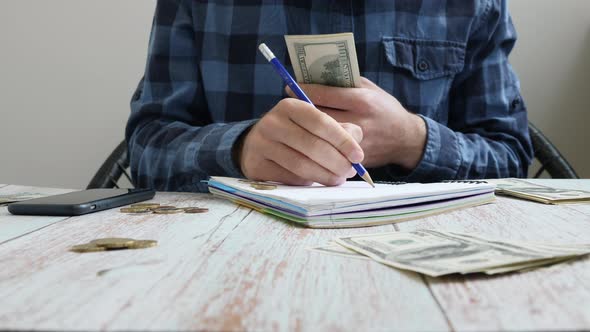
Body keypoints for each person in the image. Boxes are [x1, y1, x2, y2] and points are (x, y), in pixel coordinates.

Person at [126, 0, 533, 192]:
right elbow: (146, 148)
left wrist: (412, 140)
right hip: (231, 260)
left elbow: (512, 155)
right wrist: (239, 151)